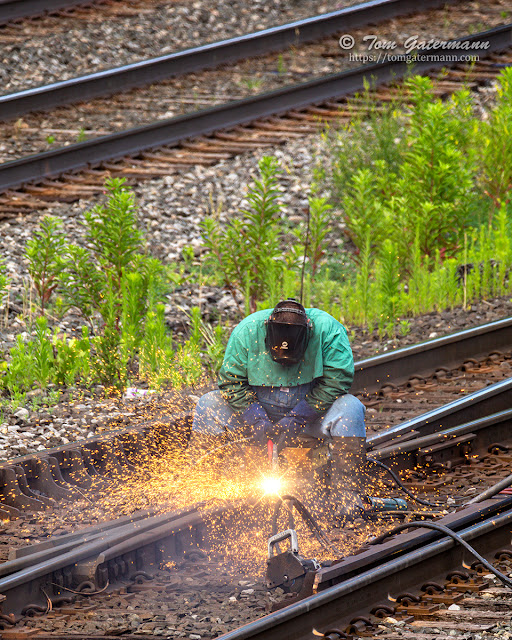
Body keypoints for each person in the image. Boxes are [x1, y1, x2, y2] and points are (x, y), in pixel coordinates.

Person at [192, 298, 373, 518]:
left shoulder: (329, 331)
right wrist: (255, 417)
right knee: (208, 405)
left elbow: (338, 380)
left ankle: (347, 499)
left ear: (309, 332)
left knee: (351, 409)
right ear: (267, 332)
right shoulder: (248, 330)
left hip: (312, 415)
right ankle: (198, 494)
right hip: (259, 410)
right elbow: (231, 381)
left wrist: (299, 417)